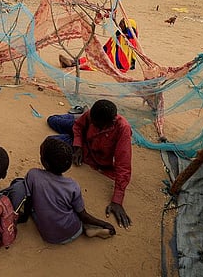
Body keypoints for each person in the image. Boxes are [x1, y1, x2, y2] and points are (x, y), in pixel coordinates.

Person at [46, 99, 132, 229]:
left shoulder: (122, 129)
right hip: (79, 135)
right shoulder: (92, 116)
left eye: (96, 125)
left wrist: (117, 200)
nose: (94, 125)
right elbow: (78, 127)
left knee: (51, 141)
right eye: (92, 121)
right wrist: (77, 146)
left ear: (109, 123)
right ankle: (77, 115)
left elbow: (123, 165)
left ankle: (77, 118)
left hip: (89, 149)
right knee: (52, 120)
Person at [24, 137, 116, 244]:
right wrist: (104, 224)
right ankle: (86, 228)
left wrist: (25, 216)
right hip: (72, 231)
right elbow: (84, 215)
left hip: (48, 235)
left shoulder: (33, 175)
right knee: (73, 210)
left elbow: (28, 200)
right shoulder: (72, 186)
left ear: (45, 162)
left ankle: (86, 228)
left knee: (36, 209)